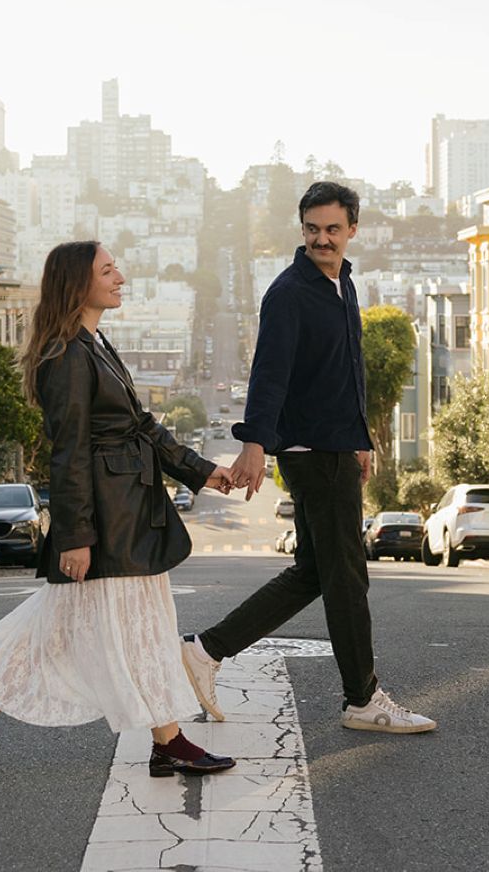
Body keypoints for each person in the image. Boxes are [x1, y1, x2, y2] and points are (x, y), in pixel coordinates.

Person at [0, 240, 240, 786]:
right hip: (107, 521)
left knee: (69, 626)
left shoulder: (93, 343)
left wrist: (204, 472)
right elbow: (70, 450)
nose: (121, 277)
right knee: (133, 627)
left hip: (126, 511)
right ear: (79, 285)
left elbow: (142, 426)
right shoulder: (67, 356)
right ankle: (167, 741)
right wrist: (75, 535)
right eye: (108, 271)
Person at [180, 182, 437, 734]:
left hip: (337, 445)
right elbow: (269, 373)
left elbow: (349, 369)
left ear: (351, 231)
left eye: (333, 229)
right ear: (302, 230)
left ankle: (206, 651)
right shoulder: (290, 292)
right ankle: (363, 700)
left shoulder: (343, 283)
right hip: (310, 452)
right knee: (347, 576)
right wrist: (254, 442)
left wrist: (361, 437)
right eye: (313, 229)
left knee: (317, 573)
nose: (322, 238)